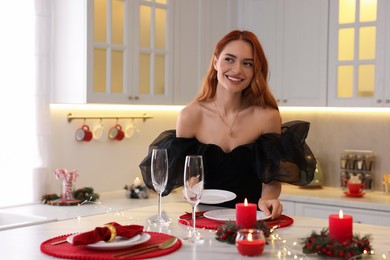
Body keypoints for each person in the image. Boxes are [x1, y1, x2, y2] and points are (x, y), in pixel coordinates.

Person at [140, 30, 316, 219]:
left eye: (247, 63)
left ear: (255, 70)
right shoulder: (191, 116)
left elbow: (270, 179)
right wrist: (191, 186)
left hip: (251, 220)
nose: (237, 70)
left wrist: (268, 198)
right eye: (229, 59)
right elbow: (190, 176)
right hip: (203, 220)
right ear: (215, 61)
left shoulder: (267, 117)